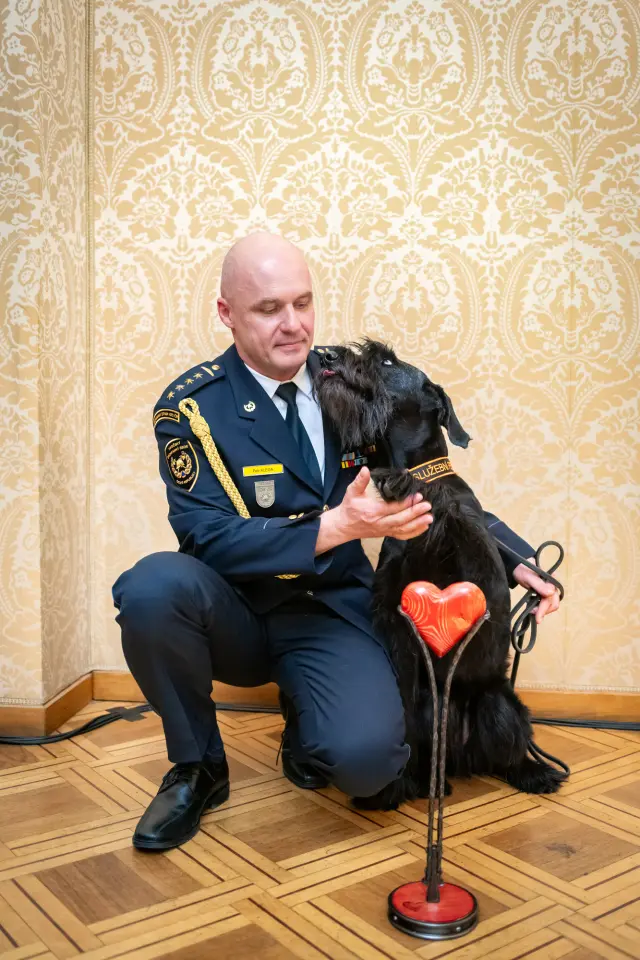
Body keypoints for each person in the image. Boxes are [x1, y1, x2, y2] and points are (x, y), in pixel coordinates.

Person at [112, 233, 560, 851]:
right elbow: (205, 535)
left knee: (370, 764)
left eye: (303, 303)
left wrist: (515, 560)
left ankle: (307, 718)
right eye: (269, 308)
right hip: (235, 610)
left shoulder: (347, 383)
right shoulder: (193, 408)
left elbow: (430, 476)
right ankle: (198, 767)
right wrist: (338, 526)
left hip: (329, 612)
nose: (293, 324)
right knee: (152, 588)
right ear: (226, 313)